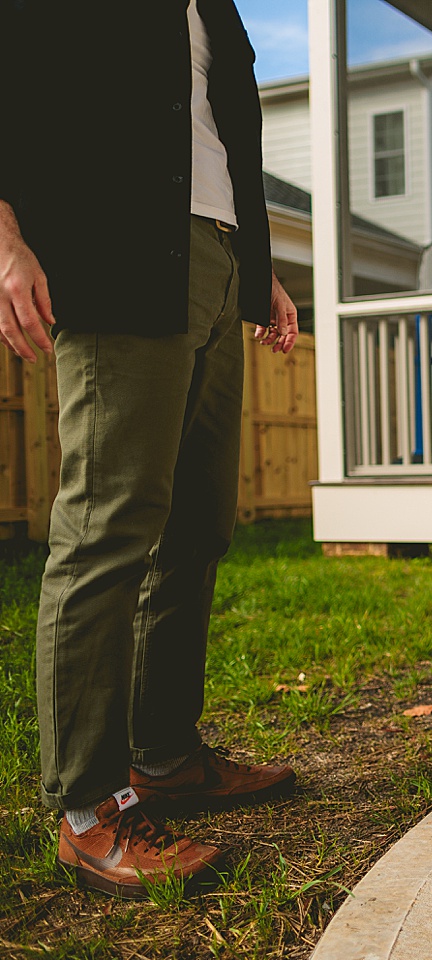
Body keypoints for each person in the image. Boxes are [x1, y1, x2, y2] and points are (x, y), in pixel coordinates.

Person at [0, 1, 300, 898]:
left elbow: (217, 136)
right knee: (108, 528)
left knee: (200, 524)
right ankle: (88, 810)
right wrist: (6, 240)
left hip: (214, 259)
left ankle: (165, 755)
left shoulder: (216, 8)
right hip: (117, 257)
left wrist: (260, 268)